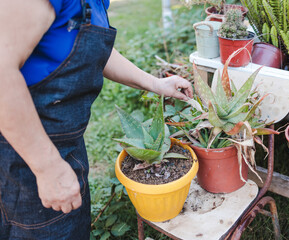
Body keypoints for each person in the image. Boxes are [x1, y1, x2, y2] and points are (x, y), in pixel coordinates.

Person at [0, 0, 193, 239]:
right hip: (24, 152)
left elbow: (89, 48)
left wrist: (155, 84)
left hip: (65, 145)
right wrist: (48, 168)